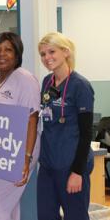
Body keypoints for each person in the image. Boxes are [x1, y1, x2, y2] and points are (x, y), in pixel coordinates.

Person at [0, 32, 40, 220]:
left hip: (18, 152)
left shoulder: (25, 78)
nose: (1, 54)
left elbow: (32, 119)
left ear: (17, 54)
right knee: (7, 207)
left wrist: (26, 159)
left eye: (8, 50)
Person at [37, 32, 94, 220]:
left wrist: (77, 171)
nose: (47, 58)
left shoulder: (81, 86)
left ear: (66, 52)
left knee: (75, 216)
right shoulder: (47, 82)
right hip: (48, 164)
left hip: (71, 165)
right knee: (45, 215)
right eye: (43, 54)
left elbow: (86, 134)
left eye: (51, 52)